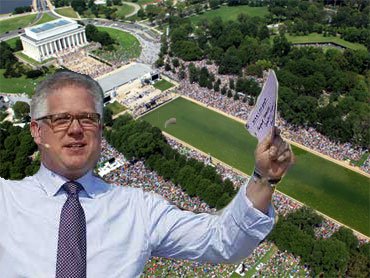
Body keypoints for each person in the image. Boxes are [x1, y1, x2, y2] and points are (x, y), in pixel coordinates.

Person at [0, 71, 294, 277]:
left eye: (88, 119)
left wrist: (263, 177)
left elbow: (222, 241)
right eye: (61, 118)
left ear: (100, 131)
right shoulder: (5, 200)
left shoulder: (138, 208)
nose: (76, 129)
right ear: (36, 131)